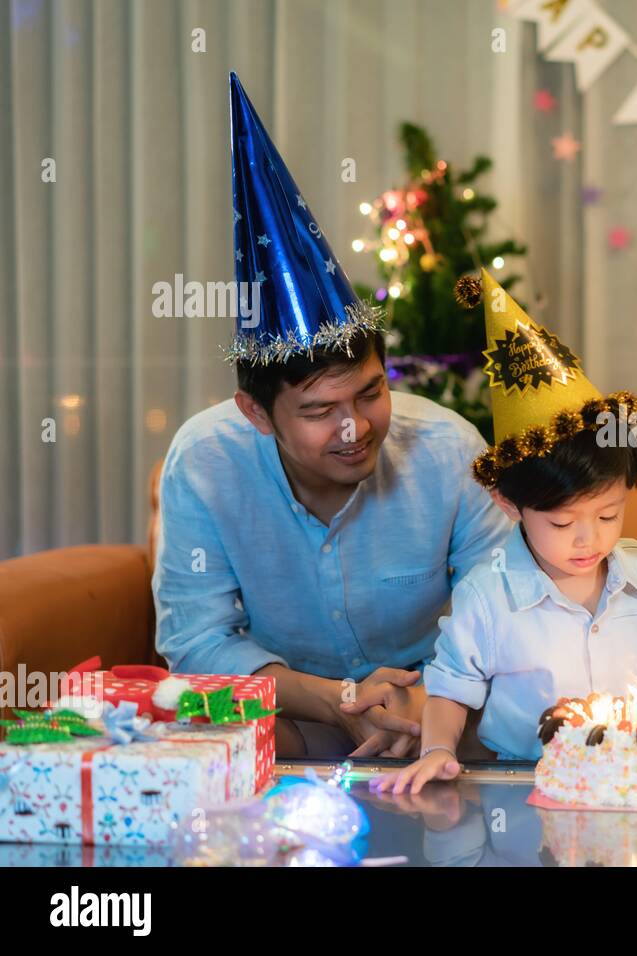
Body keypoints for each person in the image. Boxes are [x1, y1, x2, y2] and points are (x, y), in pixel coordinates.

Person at [152, 74, 511, 759]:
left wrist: (422, 703)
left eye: (371, 393)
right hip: (284, 730)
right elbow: (198, 643)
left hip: (436, 722)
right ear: (256, 411)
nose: (356, 427)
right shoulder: (205, 462)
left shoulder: (445, 449)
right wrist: (338, 701)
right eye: (319, 411)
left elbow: (506, 614)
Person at [370, 270, 637, 794]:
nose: (589, 540)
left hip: (630, 787)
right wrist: (439, 750)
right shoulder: (487, 596)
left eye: (609, 515)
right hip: (523, 787)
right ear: (509, 504)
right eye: (561, 522)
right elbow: (450, 690)